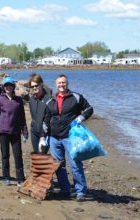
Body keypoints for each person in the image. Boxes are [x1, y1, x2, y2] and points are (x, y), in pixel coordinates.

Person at [46, 74, 93, 202]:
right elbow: (47, 118)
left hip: (70, 137)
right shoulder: (51, 100)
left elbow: (89, 109)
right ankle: (65, 189)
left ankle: (80, 191)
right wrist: (44, 135)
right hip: (54, 138)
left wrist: (81, 118)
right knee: (59, 166)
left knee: (76, 164)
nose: (61, 85)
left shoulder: (76, 97)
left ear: (67, 83)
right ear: (56, 84)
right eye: (59, 83)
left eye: (63, 83)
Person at [0, 75, 28, 187]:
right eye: (6, 86)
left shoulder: (18, 101)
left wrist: (25, 132)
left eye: (10, 85)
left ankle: (20, 179)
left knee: (18, 155)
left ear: (13, 87)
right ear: (3, 87)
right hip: (2, 132)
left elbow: (22, 118)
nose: (8, 87)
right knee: (5, 156)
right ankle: (6, 177)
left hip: (16, 132)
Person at [28, 73, 52, 153]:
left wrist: (43, 136)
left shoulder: (48, 99)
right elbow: (33, 117)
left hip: (45, 133)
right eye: (32, 86)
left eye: (36, 85)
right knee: (36, 153)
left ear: (41, 84)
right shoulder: (32, 100)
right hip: (34, 132)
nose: (34, 88)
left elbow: (48, 119)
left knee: (42, 155)